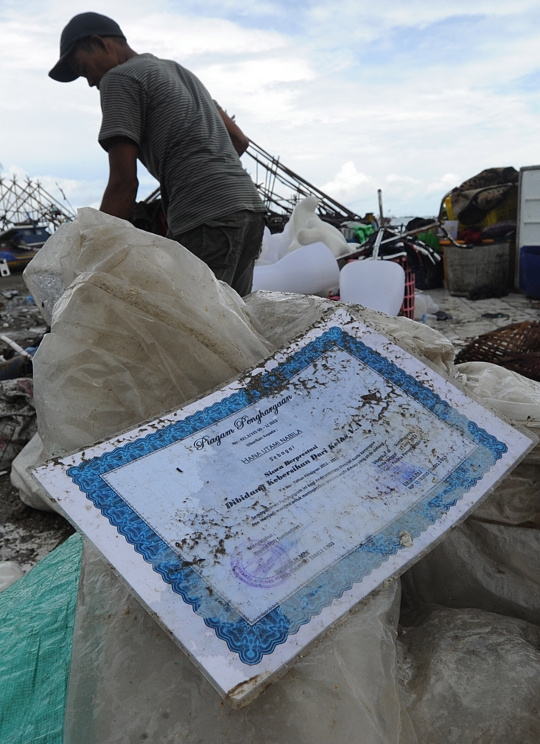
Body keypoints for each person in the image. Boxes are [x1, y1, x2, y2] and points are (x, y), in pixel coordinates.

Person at [49, 12, 266, 296]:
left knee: (195, 331)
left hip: (205, 217)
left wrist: (93, 257)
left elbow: (124, 184)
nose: (89, 82)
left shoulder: (119, 79)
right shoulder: (178, 72)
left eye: (83, 69)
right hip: (249, 207)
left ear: (100, 43)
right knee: (235, 322)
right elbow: (239, 140)